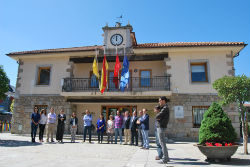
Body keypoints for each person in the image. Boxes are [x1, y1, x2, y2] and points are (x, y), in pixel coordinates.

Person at [156, 96, 170, 163]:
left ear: (163, 100)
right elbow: (158, 117)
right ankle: (167, 158)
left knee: (162, 143)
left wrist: (158, 115)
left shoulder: (165, 108)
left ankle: (165, 159)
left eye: (160, 100)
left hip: (161, 127)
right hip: (161, 126)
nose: (159, 102)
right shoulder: (164, 108)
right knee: (162, 143)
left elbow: (157, 116)